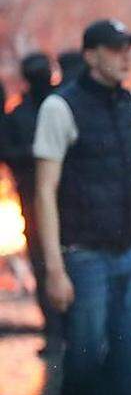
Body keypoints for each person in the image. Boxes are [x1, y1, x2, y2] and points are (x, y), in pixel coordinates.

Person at [33, 19, 131, 386]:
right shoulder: (60, 108)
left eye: (130, 48)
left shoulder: (130, 102)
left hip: (130, 252)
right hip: (84, 256)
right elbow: (45, 190)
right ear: (90, 55)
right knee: (84, 368)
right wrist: (54, 269)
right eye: (116, 48)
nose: (127, 57)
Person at [4, 52, 60, 354]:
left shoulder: (62, 106)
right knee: (42, 263)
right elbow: (8, 152)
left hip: (67, 201)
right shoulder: (19, 116)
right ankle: (54, 330)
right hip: (33, 201)